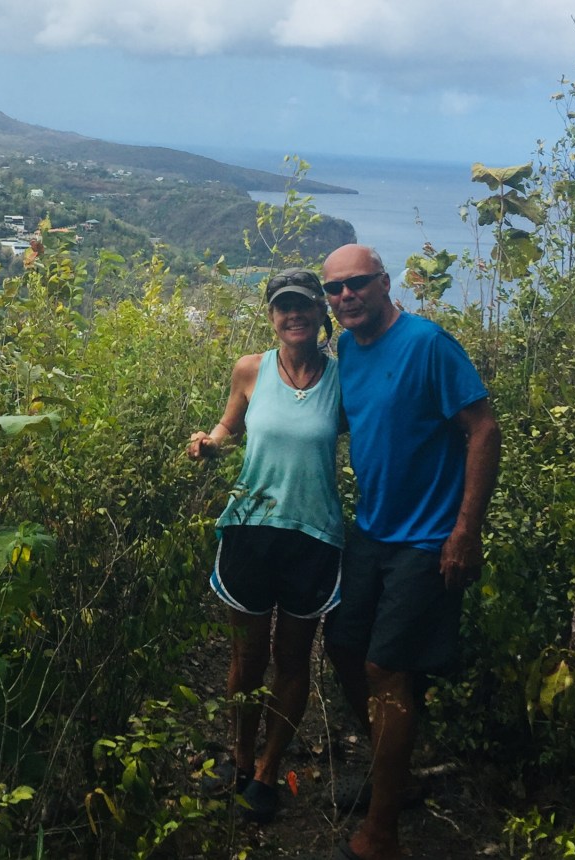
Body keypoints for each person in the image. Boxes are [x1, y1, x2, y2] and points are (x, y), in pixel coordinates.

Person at [322, 245, 501, 860]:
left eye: (357, 283)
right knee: (344, 645)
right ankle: (391, 771)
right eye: (334, 288)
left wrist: (466, 530)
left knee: (386, 668)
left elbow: (483, 428)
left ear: (384, 283)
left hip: (427, 539)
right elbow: (353, 420)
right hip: (372, 529)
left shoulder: (428, 344)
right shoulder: (348, 350)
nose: (346, 296)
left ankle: (382, 834)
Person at [187, 268, 344, 824]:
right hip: (250, 528)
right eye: (283, 306)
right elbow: (229, 426)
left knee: (293, 659)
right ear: (272, 315)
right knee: (246, 657)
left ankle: (269, 769)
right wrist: (210, 443)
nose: (293, 315)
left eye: (303, 305)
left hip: (313, 534)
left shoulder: (343, 379)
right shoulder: (250, 369)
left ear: (321, 312)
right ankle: (240, 755)